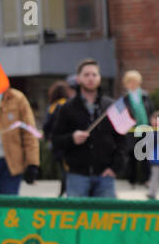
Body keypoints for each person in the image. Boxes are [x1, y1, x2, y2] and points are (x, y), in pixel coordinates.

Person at [50, 58, 127, 198]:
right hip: (77, 176)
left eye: (94, 74)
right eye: (86, 75)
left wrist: (116, 168)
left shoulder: (113, 106)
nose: (90, 78)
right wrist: (71, 138)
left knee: (106, 218)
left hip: (105, 176)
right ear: (78, 79)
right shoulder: (67, 108)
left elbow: (123, 140)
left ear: (99, 78)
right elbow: (55, 139)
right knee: (77, 218)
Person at [0, 86, 39, 195]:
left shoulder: (17, 98)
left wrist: (32, 163)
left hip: (11, 163)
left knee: (8, 204)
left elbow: (29, 132)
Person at [121, 69, 155, 185]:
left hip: (145, 129)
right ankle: (132, 180)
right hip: (132, 131)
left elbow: (151, 111)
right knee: (132, 155)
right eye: (130, 81)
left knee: (146, 155)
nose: (133, 84)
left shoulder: (145, 96)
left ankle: (146, 179)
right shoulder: (124, 98)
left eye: (135, 81)